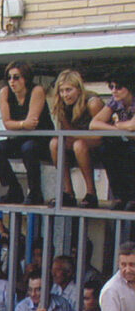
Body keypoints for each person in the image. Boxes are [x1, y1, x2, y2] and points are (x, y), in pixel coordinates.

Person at [0, 60, 54, 205]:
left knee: (29, 148)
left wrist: (18, 124)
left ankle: (35, 191)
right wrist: (23, 124)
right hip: (20, 138)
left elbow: (33, 123)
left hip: (41, 139)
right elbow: (7, 124)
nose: (12, 82)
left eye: (16, 77)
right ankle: (14, 189)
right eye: (9, 77)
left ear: (26, 78)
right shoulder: (5, 92)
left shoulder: (37, 90)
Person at [48, 70, 103, 208]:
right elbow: (67, 133)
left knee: (79, 144)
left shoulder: (92, 102)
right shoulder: (61, 105)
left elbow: (102, 134)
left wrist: (76, 137)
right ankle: (68, 192)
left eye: (69, 90)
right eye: (62, 91)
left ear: (79, 89)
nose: (65, 94)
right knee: (55, 143)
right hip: (77, 143)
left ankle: (91, 192)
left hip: (100, 145)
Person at [90, 68, 135, 211]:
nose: (114, 91)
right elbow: (94, 124)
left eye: (119, 87)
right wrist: (118, 128)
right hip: (126, 142)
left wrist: (119, 125)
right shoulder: (115, 102)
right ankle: (120, 196)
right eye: (112, 87)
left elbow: (132, 125)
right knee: (107, 149)